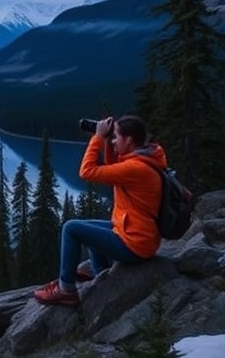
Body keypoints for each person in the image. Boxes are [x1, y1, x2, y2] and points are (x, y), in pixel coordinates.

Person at [33, 115, 166, 306]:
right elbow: (113, 167)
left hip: (135, 244)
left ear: (129, 140)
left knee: (71, 228)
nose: (113, 141)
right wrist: (107, 140)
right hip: (136, 234)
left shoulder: (136, 168)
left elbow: (87, 172)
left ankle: (66, 290)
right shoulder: (145, 157)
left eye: (116, 137)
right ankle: (101, 273)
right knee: (88, 229)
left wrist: (97, 138)